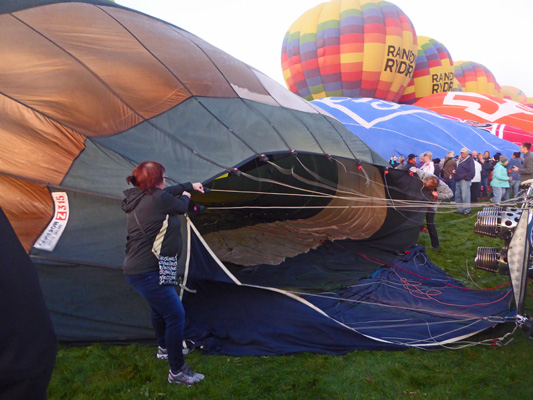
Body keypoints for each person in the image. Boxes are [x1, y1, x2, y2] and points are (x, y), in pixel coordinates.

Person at [122, 161, 206, 386]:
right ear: (157, 180)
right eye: (164, 176)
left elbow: (166, 193)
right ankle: (177, 371)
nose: (166, 179)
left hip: (159, 264)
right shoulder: (158, 199)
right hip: (147, 270)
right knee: (175, 315)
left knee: (160, 311)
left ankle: (164, 349)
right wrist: (188, 193)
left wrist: (190, 185)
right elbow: (180, 206)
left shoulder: (139, 196)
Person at [413, 168, 453, 251]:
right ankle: (413, 242)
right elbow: (413, 169)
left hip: (431, 205)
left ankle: (436, 246)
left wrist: (438, 195)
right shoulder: (424, 175)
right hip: (420, 202)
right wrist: (412, 170)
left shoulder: (442, 186)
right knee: (415, 221)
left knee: (430, 224)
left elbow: (450, 194)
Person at [453, 147, 475, 214]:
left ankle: (467, 210)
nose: (462, 153)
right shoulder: (460, 159)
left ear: (467, 153)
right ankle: (460, 209)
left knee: (465, 196)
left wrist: (466, 178)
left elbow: (472, 171)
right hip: (458, 179)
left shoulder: (470, 160)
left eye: (463, 152)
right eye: (461, 152)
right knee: (458, 195)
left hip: (464, 180)